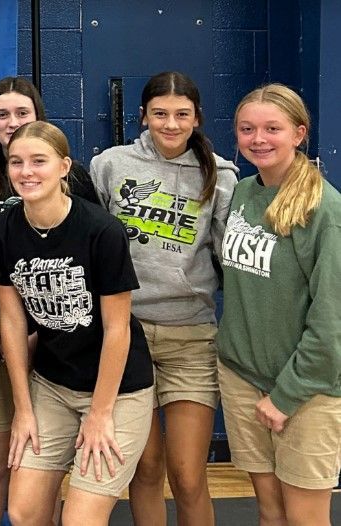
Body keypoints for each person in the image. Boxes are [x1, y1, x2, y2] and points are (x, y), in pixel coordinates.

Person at [0, 121, 154, 526]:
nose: (27, 172)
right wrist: (23, 409)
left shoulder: (101, 230)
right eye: (17, 162)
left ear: (63, 167)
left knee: (81, 520)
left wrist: (100, 413)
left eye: (38, 162)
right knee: (23, 512)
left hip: (116, 390)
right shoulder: (1, 230)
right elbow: (12, 323)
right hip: (51, 386)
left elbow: (118, 329)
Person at [90, 71, 238, 526]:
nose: (170, 124)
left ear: (196, 118)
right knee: (145, 470)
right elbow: (93, 244)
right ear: (143, 116)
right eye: (160, 114)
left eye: (181, 114)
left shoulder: (222, 174)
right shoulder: (111, 165)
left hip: (190, 336)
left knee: (189, 475)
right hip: (125, 336)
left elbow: (227, 260)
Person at [0, 75, 100, 526]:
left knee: (44, 457)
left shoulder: (72, 178)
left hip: (57, 338)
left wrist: (45, 333)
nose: (12, 122)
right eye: (2, 114)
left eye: (22, 113)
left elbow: (88, 261)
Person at [216, 83, 341, 526]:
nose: (259, 139)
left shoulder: (325, 208)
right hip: (242, 377)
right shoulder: (245, 192)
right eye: (247, 129)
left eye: (273, 128)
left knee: (305, 519)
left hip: (306, 390)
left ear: (299, 133)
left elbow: (332, 322)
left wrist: (285, 396)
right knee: (270, 513)